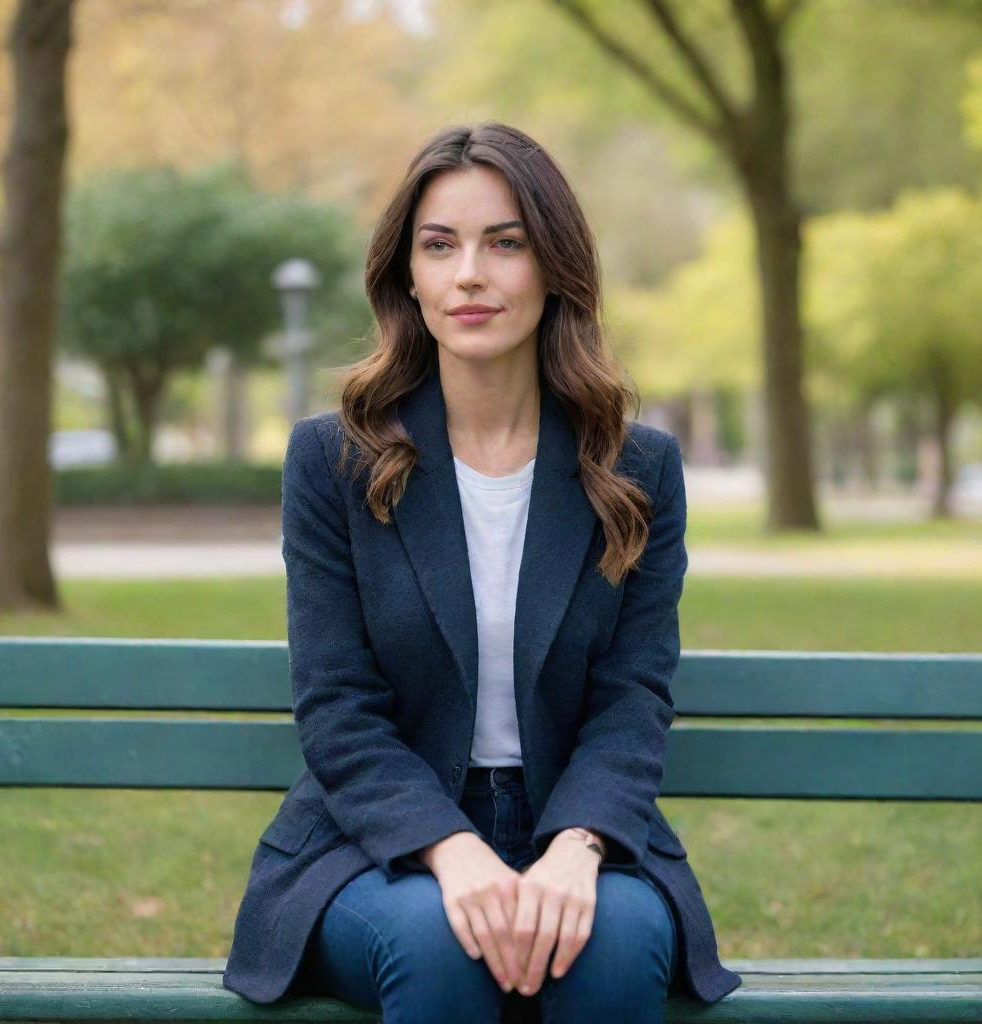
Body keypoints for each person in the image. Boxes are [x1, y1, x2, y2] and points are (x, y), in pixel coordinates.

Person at [222, 121, 742, 1023]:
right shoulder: (333, 462)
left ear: (555, 268)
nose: (470, 273)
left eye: (505, 243)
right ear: (409, 278)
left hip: (578, 829)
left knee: (610, 948)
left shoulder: (636, 469)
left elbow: (633, 695)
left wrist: (578, 847)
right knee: (436, 947)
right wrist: (448, 848)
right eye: (440, 246)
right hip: (375, 847)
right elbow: (337, 705)